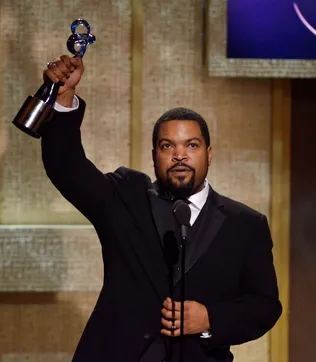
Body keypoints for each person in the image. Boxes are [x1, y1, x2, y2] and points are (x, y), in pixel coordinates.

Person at [41, 55, 282, 362]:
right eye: (168, 146)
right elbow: (67, 168)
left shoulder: (245, 224)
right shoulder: (126, 197)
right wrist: (63, 98)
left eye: (191, 145)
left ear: (209, 154)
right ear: (154, 155)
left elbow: (264, 306)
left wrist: (209, 319)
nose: (180, 155)